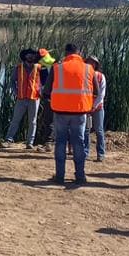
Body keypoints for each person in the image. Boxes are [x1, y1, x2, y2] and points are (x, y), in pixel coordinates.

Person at [44, 43, 94, 186]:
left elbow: (47, 90)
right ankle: (80, 176)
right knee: (78, 142)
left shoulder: (57, 68)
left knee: (60, 142)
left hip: (60, 111)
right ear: (79, 53)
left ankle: (60, 176)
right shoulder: (88, 68)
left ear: (66, 53)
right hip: (80, 111)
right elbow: (95, 90)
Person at [4, 49, 43, 149]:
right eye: (29, 55)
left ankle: (30, 143)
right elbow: (12, 81)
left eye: (33, 55)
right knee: (15, 120)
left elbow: (45, 81)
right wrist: (16, 92)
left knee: (33, 121)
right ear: (25, 56)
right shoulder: (18, 67)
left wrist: (41, 91)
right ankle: (9, 139)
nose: (31, 57)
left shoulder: (39, 67)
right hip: (21, 98)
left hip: (34, 98)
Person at [84, 56, 107, 161]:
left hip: (97, 108)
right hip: (86, 108)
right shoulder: (84, 75)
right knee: (86, 131)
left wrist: (93, 106)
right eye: (88, 62)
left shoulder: (101, 76)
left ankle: (101, 154)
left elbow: (101, 94)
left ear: (96, 65)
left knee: (99, 130)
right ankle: (85, 153)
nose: (90, 64)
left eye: (92, 63)